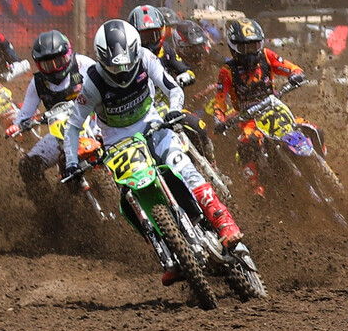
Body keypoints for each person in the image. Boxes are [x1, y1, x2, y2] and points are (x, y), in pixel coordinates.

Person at [63, 19, 251, 271]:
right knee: (129, 194)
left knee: (182, 165)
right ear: (101, 59)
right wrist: (72, 163)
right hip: (117, 139)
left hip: (151, 122)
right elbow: (74, 125)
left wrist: (174, 111)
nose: (121, 72)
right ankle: (167, 253)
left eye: (126, 64)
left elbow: (172, 88)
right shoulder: (93, 82)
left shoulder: (145, 57)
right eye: (113, 67)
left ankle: (225, 223)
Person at [210, 18, 311, 200]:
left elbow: (291, 67)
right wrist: (219, 117)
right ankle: (257, 188)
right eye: (245, 48)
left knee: (309, 127)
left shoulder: (266, 56)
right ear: (234, 47)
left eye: (254, 45)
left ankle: (323, 165)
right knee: (246, 143)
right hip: (249, 119)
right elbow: (219, 101)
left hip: (275, 110)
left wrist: (296, 74)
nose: (250, 53)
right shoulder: (227, 71)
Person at [9, 30, 94, 205]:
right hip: (60, 134)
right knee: (28, 166)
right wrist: (17, 126)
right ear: (39, 65)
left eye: (58, 61)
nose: (54, 67)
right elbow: (24, 115)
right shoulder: (37, 83)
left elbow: (108, 86)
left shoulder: (84, 65)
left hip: (94, 125)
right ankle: (48, 212)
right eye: (47, 65)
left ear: (68, 55)